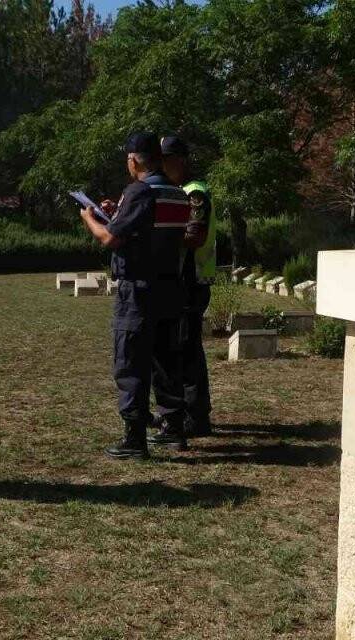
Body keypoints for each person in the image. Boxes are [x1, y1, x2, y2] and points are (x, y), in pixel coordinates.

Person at [79, 132, 191, 459]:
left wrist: (90, 219)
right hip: (171, 287)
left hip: (139, 291)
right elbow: (153, 228)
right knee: (167, 361)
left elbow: (111, 239)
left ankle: (134, 437)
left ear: (133, 159)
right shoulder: (177, 193)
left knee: (131, 362)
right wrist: (119, 211)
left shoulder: (139, 191)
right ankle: (173, 429)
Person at [149, 136, 215, 443]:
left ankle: (195, 416)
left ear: (181, 160)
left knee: (187, 350)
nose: (160, 166)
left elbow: (195, 237)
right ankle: (185, 411)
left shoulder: (195, 192)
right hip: (180, 281)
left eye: (165, 160)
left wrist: (161, 237)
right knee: (179, 349)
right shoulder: (177, 192)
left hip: (192, 281)